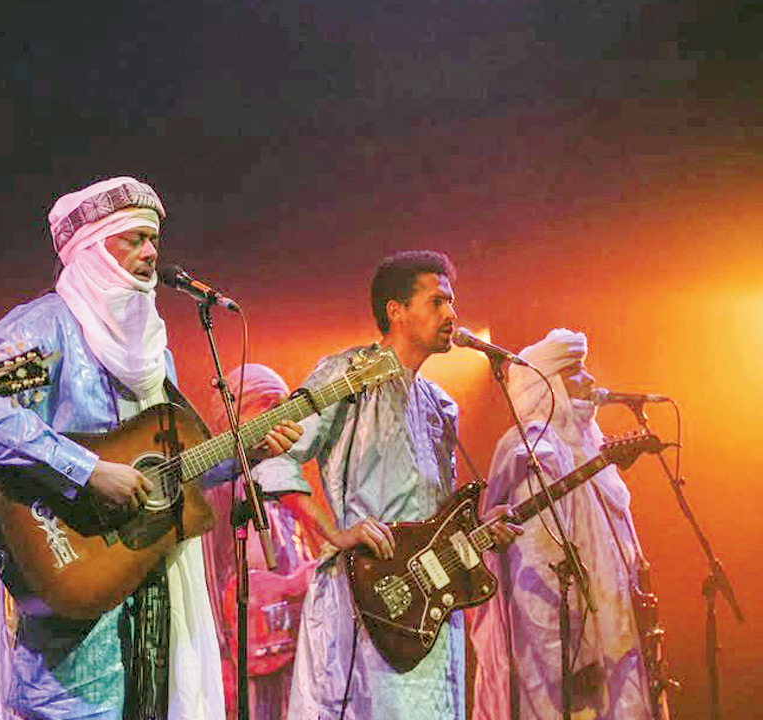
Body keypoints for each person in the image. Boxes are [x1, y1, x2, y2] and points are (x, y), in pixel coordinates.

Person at [0, 176, 301, 720]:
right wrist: (87, 471)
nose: (151, 252)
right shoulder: (43, 327)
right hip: (68, 576)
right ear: (92, 249)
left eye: (154, 239)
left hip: (143, 584)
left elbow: (169, 473)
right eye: (133, 239)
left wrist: (245, 455)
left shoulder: (155, 352)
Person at [253, 250, 520, 720]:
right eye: (438, 302)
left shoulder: (441, 404)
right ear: (395, 310)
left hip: (433, 603)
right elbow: (276, 458)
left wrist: (480, 529)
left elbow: (438, 515)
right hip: (371, 595)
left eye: (452, 302)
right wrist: (334, 535)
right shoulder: (347, 374)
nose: (452, 315)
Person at [469, 329, 663, 720]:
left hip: (612, 654)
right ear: (550, 384)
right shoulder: (537, 454)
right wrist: (571, 664)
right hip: (572, 673)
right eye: (576, 371)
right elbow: (535, 585)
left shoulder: (586, 447)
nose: (591, 381)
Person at [200, 364, 321, 720]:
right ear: (236, 416)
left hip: (288, 660)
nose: (282, 418)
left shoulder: (284, 484)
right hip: (243, 669)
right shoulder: (219, 489)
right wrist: (219, 658)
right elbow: (207, 580)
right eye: (270, 406)